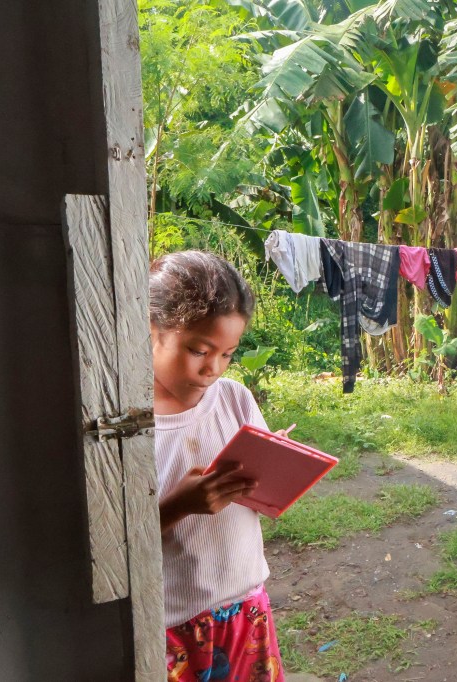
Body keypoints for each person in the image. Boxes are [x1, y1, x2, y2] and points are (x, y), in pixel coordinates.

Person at [150, 250, 286, 682]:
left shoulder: (234, 399)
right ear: (151, 330)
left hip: (247, 609)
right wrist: (178, 506)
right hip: (172, 625)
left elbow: (263, 494)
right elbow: (114, 541)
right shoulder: (130, 427)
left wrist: (280, 471)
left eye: (227, 354)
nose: (212, 368)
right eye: (198, 350)